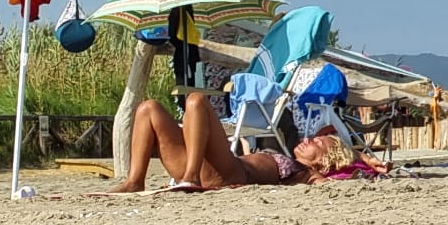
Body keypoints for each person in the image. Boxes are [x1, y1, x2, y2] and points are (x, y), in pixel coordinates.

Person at [110, 92, 380, 192]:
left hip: (226, 172)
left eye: (318, 144)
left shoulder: (307, 174)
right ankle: (135, 180)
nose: (309, 139)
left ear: (324, 161)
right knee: (148, 107)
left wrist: (365, 162)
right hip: (204, 166)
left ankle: (191, 176)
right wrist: (366, 159)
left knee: (197, 101)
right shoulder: (297, 162)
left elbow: (345, 175)